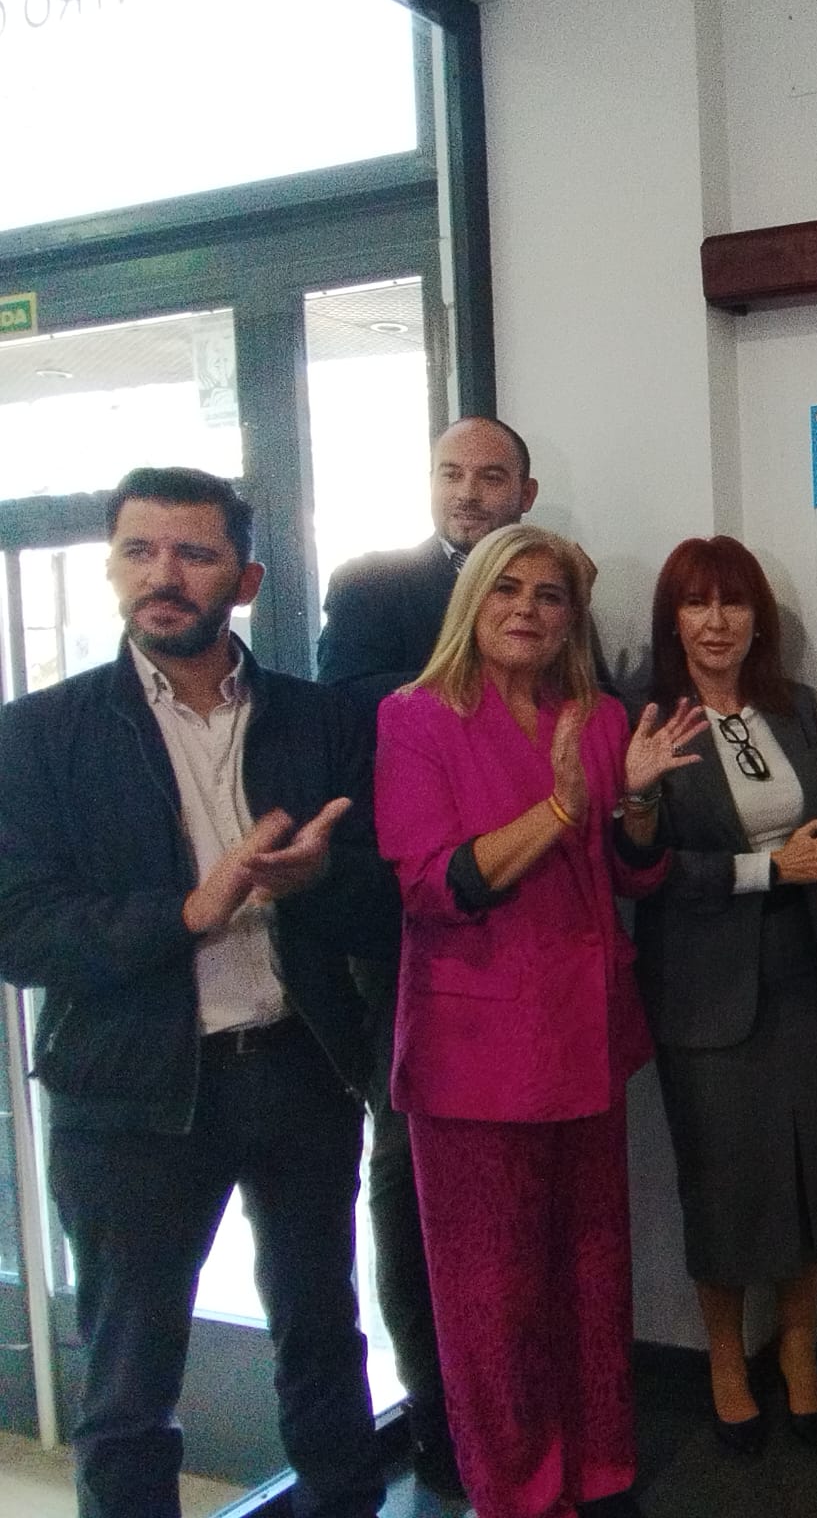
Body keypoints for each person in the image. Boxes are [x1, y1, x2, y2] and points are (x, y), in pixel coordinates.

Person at [0, 467, 384, 1518]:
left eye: (194, 553)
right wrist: (186, 913)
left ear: (245, 577)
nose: (163, 576)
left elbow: (385, 898)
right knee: (130, 1379)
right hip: (127, 1099)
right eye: (140, 551)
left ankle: (343, 1503)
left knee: (321, 1331)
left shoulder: (319, 722)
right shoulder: (37, 735)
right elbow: (19, 926)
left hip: (298, 1067)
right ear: (113, 564)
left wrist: (322, 882)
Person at [374, 523, 703, 1518]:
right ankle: (515, 1490)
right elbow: (433, 885)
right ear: (472, 599)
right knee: (492, 1300)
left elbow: (630, 874)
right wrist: (561, 811)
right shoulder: (415, 717)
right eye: (506, 588)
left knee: (592, 1279)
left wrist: (636, 808)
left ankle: (598, 1469)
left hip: (587, 1038)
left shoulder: (599, 716)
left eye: (548, 595)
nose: (526, 608)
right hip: (474, 1058)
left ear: (571, 616)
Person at [315, 413, 605, 1492]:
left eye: (490, 476)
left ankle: (556, 1430)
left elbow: (589, 729)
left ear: (523, 489)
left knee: (558, 1226)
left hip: (550, 952)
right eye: (451, 473)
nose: (468, 491)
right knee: (420, 1188)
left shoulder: (561, 593)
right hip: (415, 927)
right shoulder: (377, 589)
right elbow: (357, 727)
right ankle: (441, 1411)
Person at [635, 535, 817, 1456]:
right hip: (706, 989)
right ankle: (721, 1358)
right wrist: (773, 868)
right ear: (672, 619)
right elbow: (649, 870)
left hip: (808, 973)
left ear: (760, 619)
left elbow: (815, 824)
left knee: (809, 1174)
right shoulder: (648, 720)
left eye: (735, 604)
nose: (718, 623)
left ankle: (797, 1352)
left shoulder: (796, 709)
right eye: (698, 604)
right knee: (723, 1182)